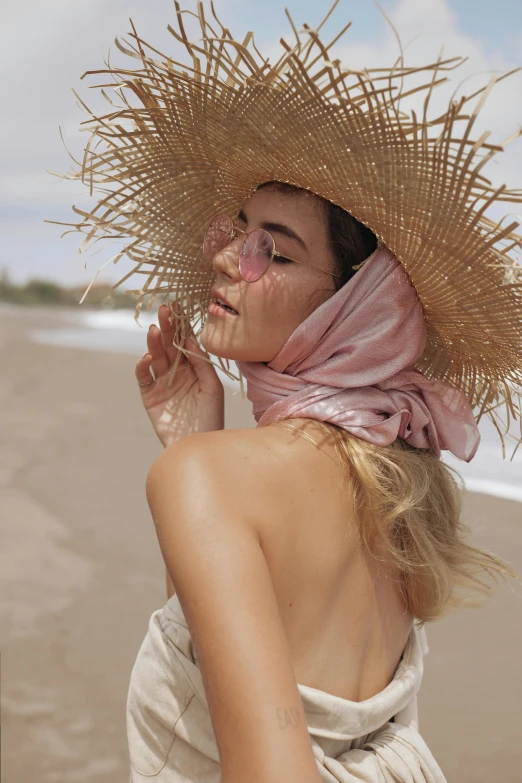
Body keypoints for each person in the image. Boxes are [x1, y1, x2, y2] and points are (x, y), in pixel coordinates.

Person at [52, 2, 522, 781]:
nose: (232, 256)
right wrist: (197, 443)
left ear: (352, 308)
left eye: (274, 247)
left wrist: (196, 467)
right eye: (239, 228)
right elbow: (222, 664)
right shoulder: (398, 479)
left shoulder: (212, 481)